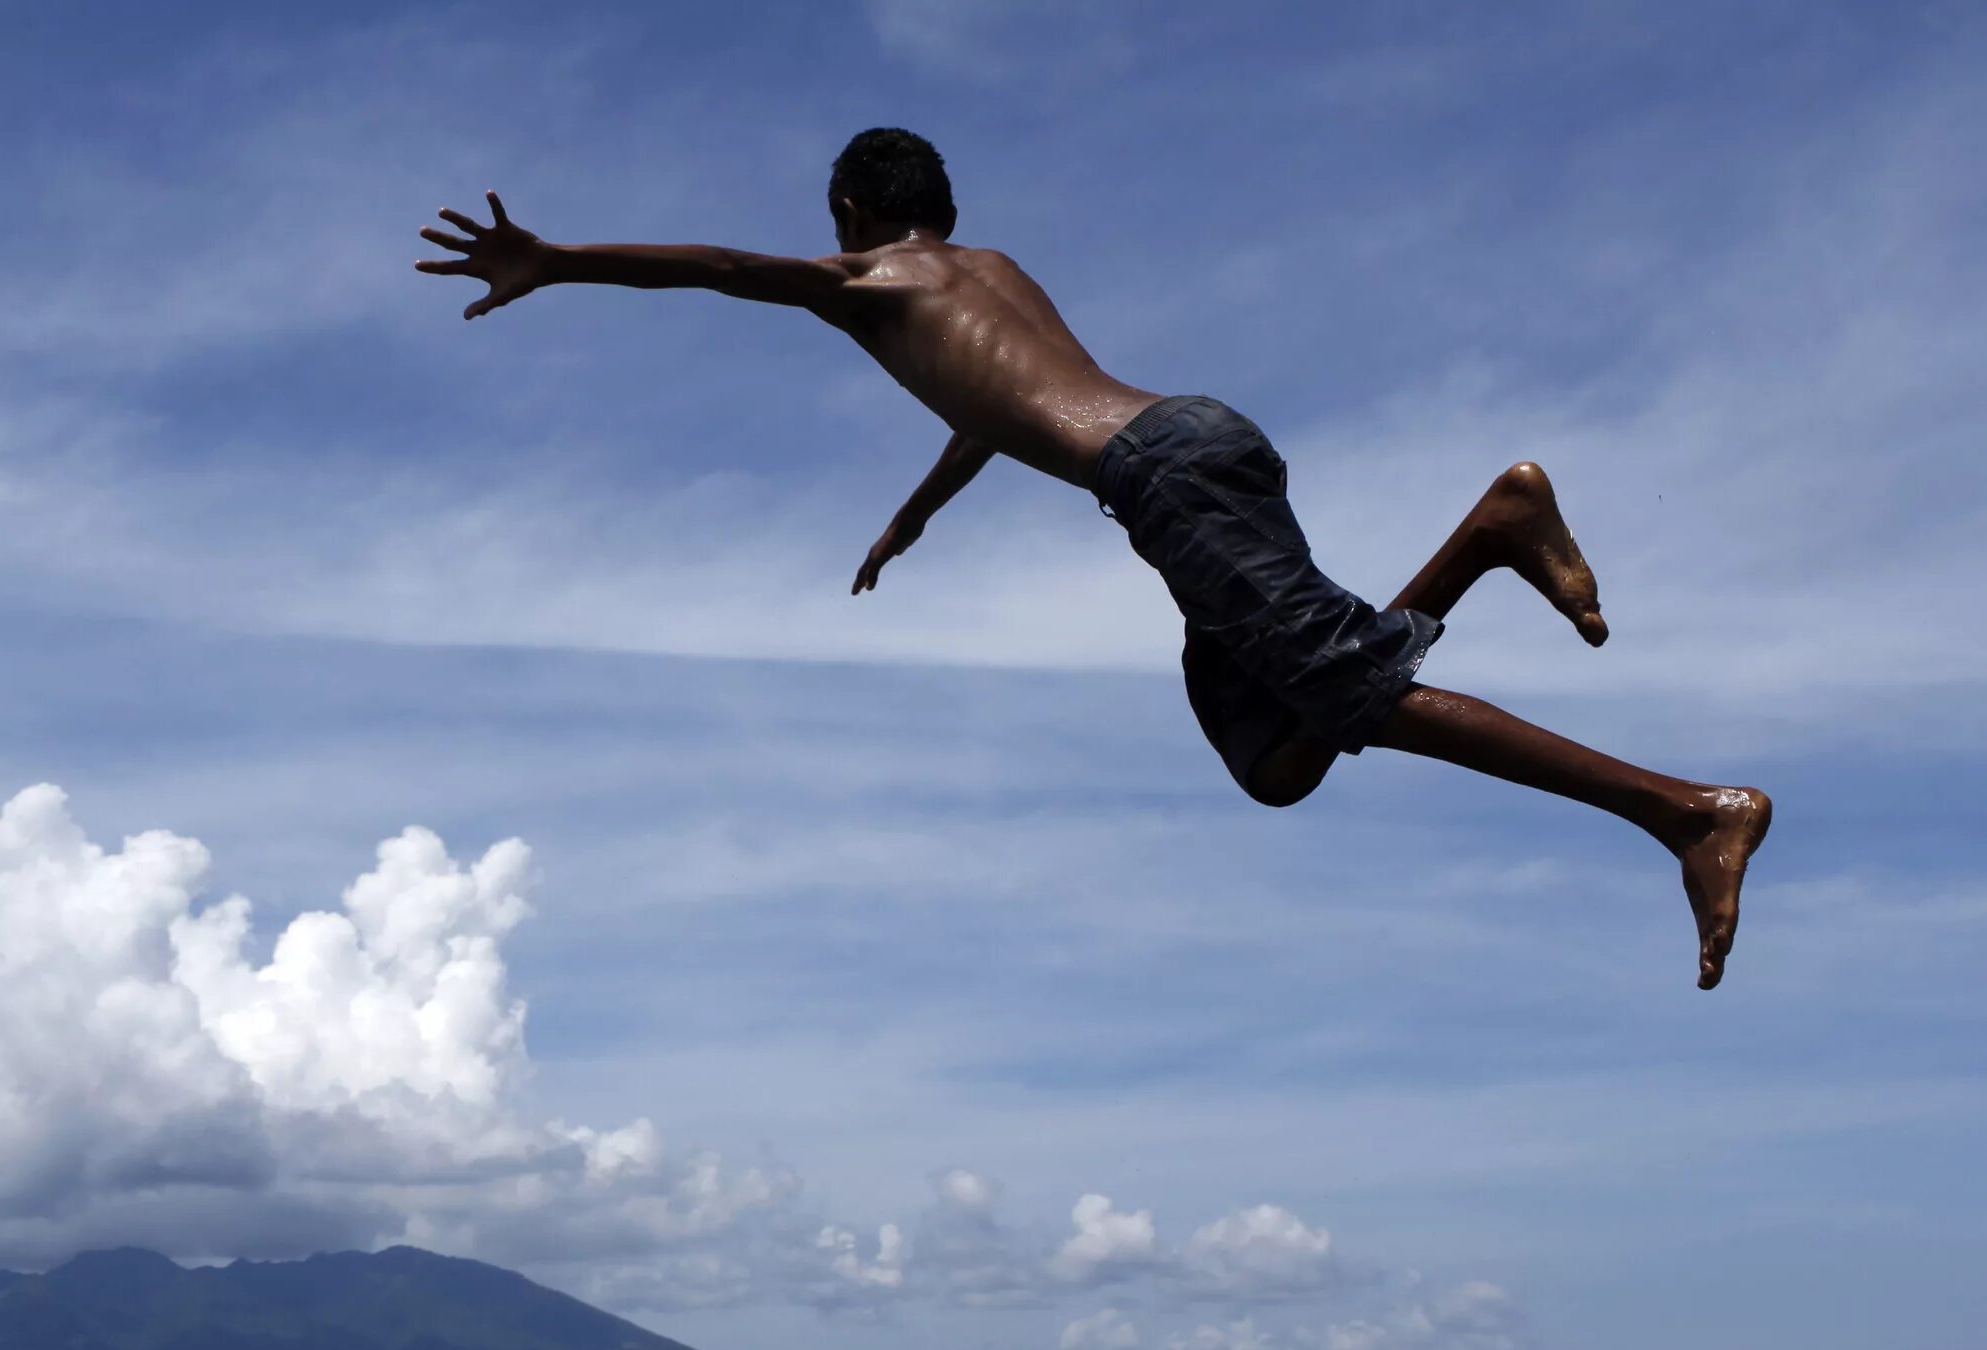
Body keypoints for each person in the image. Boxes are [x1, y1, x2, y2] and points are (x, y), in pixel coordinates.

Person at [416, 130, 1774, 987]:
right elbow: (1012, 405)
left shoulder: (869, 284)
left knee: (1357, 701)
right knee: (1279, 751)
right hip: (1198, 442)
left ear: (848, 214)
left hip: (1167, 482)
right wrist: (919, 517)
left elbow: (716, 267)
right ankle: (1487, 532)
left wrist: (561, 258)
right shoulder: (990, 270)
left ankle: (1687, 812)